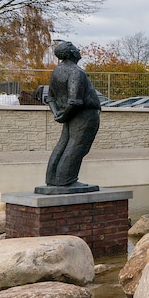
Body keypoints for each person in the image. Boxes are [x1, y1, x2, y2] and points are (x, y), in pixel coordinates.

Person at [41, 41, 101, 192]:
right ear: (72, 53)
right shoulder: (76, 72)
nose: (79, 50)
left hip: (68, 114)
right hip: (84, 115)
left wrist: (58, 114)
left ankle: (53, 179)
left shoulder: (57, 71)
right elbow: (74, 101)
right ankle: (66, 180)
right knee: (77, 146)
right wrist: (64, 114)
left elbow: (50, 97)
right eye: (76, 48)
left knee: (64, 144)